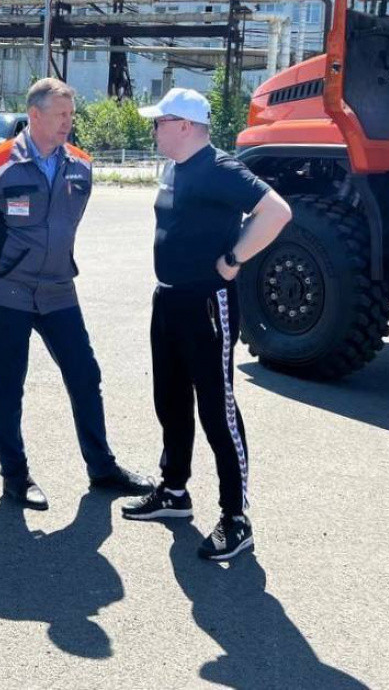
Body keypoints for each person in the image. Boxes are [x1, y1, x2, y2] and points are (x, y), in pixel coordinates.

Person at [0, 77, 150, 510]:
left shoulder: (80, 164)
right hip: (9, 291)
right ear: (35, 115)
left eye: (71, 114)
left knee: (85, 375)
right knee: (9, 385)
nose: (68, 122)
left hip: (59, 289)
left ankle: (102, 468)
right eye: (61, 114)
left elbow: (68, 223)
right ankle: (15, 476)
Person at [122, 87, 292, 561]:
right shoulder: (176, 167)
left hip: (206, 304)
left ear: (184, 126)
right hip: (169, 299)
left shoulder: (220, 168)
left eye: (159, 122)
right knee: (170, 400)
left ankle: (236, 518)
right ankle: (174, 491)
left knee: (217, 410)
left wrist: (234, 259)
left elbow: (277, 212)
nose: (153, 130)